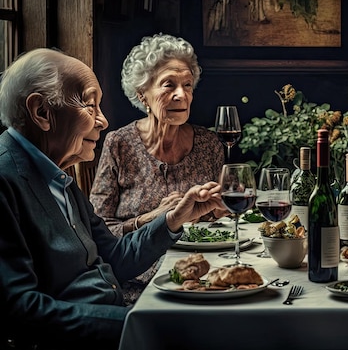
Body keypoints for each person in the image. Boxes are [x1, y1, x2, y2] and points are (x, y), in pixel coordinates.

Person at [0, 48, 225, 349]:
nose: (103, 121)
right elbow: (20, 309)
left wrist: (175, 218)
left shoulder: (56, 175)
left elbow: (114, 257)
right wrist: (132, 323)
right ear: (42, 112)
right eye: (90, 105)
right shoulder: (5, 180)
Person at [89, 33, 225, 304]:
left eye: (187, 85)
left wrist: (221, 209)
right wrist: (153, 217)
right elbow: (98, 231)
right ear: (143, 94)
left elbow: (223, 219)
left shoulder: (209, 143)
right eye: (168, 85)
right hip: (139, 282)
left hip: (202, 276)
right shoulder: (120, 143)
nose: (181, 94)